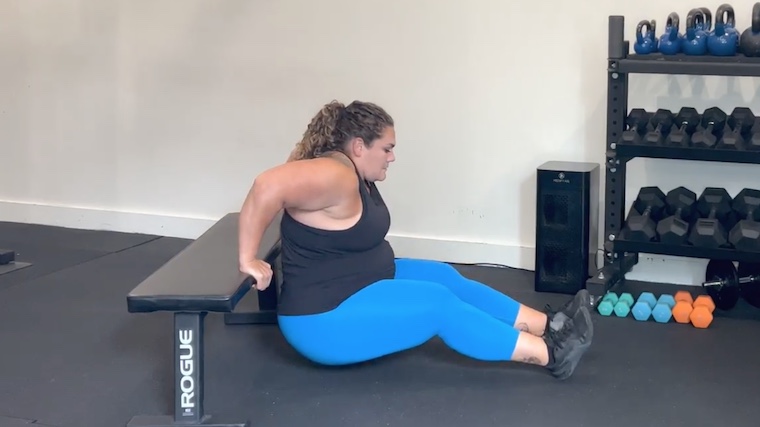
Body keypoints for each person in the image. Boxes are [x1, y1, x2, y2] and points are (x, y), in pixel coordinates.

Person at [237, 100, 594, 380]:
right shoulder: (337, 174)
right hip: (321, 321)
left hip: (354, 285)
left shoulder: (350, 171)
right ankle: (552, 354)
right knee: (438, 305)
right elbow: (267, 186)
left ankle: (552, 326)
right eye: (387, 148)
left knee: (443, 278)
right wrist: (248, 258)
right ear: (359, 146)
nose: (392, 157)